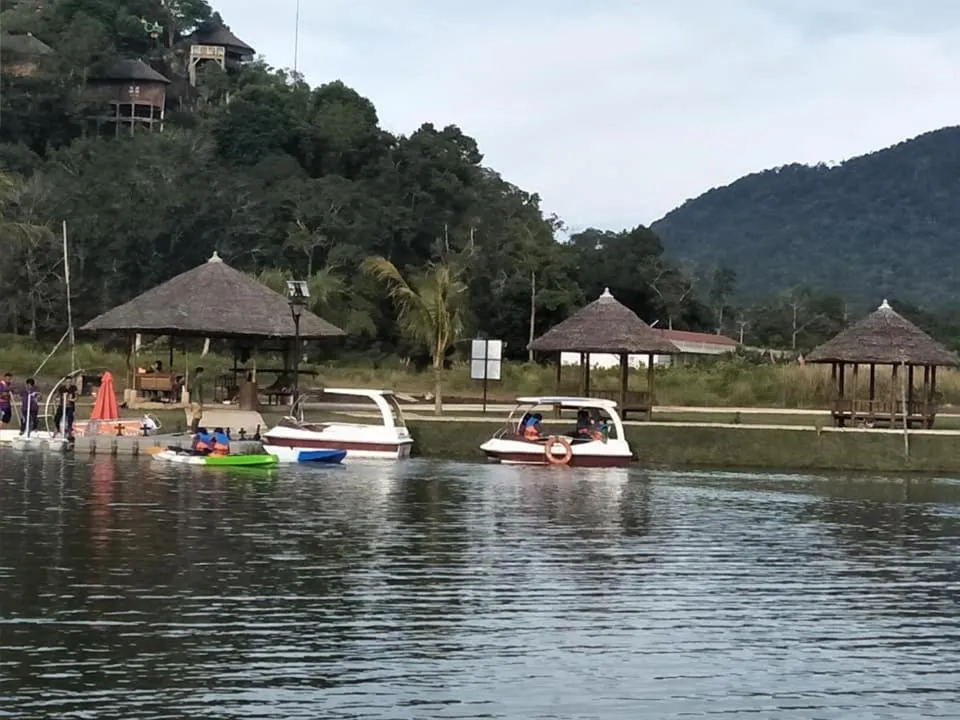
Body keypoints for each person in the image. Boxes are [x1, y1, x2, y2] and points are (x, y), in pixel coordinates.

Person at [189, 366, 205, 434]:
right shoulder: (198, 380)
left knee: (198, 416)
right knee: (196, 416)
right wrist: (199, 402)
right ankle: (193, 430)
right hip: (196, 401)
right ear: (200, 372)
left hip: (194, 400)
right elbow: (197, 391)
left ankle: (195, 430)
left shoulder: (196, 380)